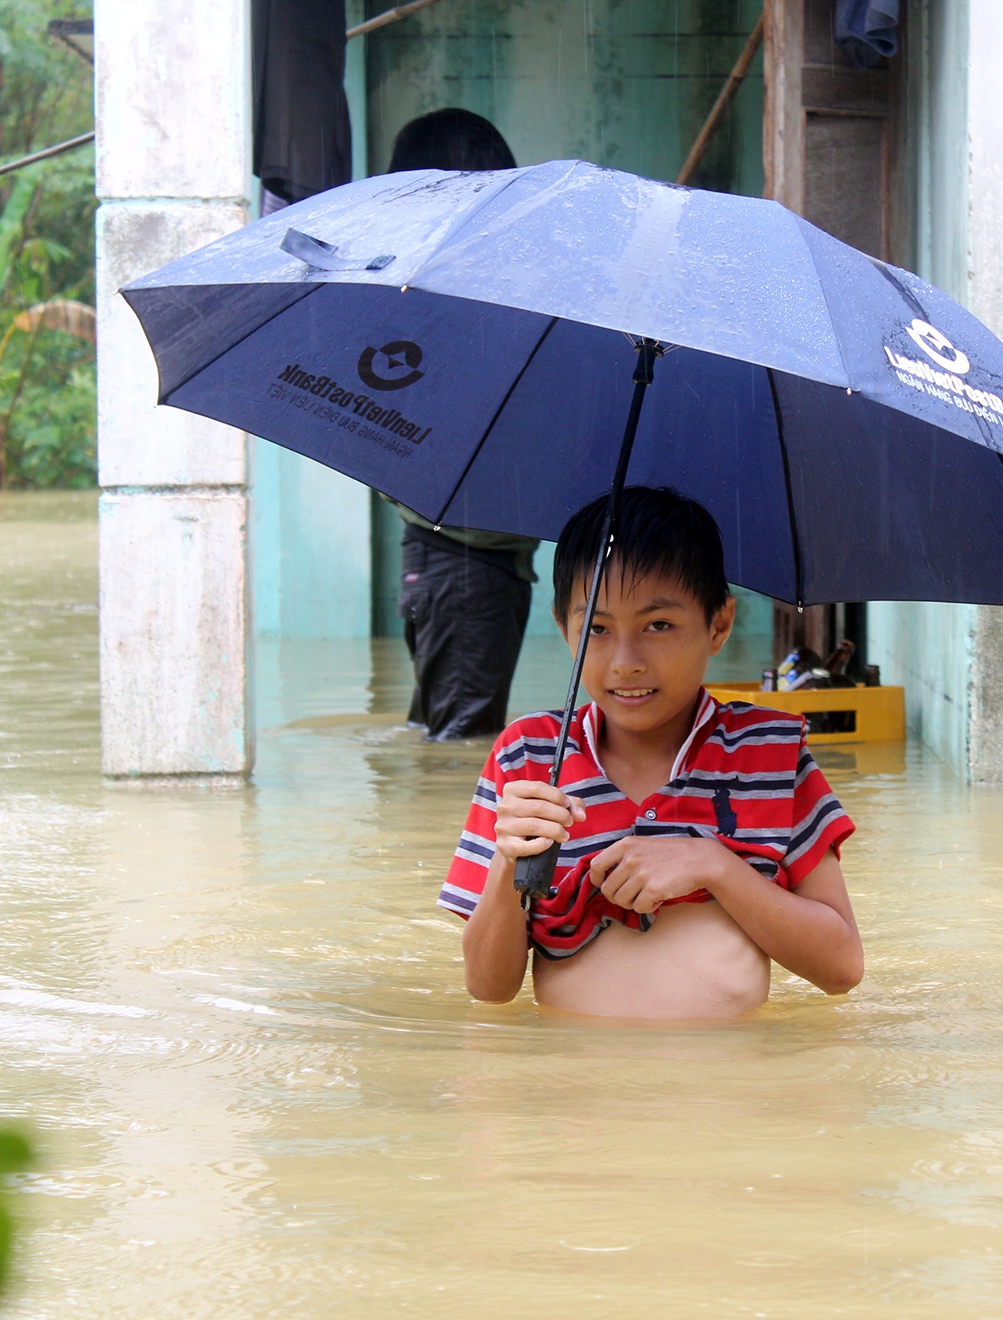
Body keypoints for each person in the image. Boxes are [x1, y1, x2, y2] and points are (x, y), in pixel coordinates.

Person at [437, 488, 865, 1019]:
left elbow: (842, 968)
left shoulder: (769, 755)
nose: (626, 661)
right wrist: (507, 863)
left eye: (658, 625)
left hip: (729, 1090)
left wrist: (714, 866)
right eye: (596, 627)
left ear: (718, 625)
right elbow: (488, 987)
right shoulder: (528, 756)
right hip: (568, 1087)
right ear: (563, 629)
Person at [382, 108, 544, 740]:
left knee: (441, 741)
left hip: (458, 561)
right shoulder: (452, 298)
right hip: (466, 566)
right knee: (460, 756)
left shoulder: (446, 292)